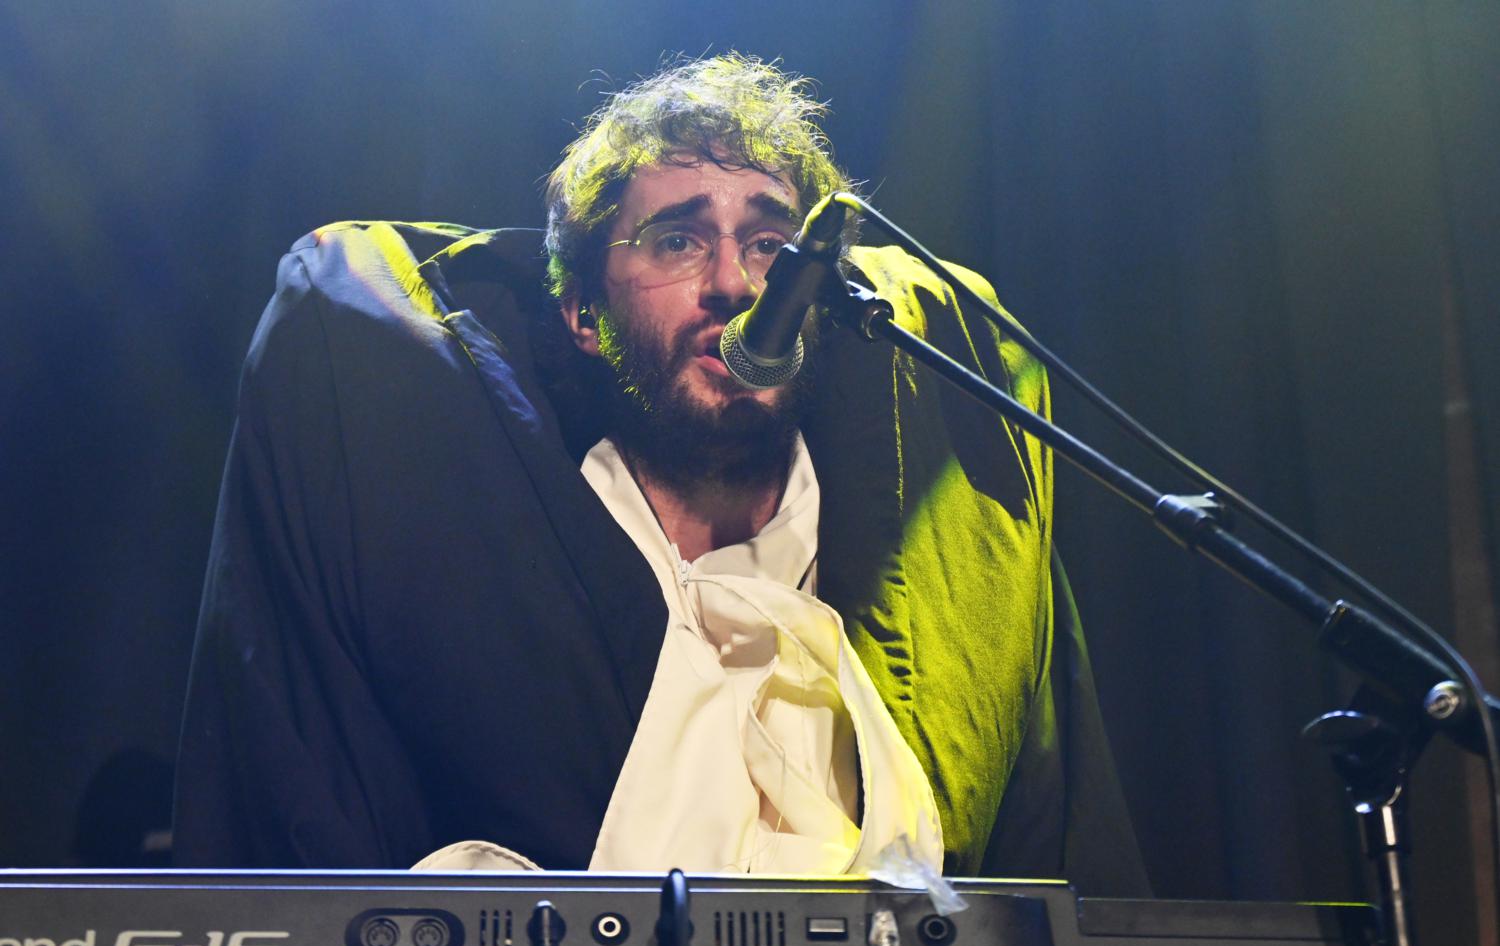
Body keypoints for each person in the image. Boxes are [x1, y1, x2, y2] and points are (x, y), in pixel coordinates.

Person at [173, 55, 1147, 894]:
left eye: (769, 244)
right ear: (582, 315)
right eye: (679, 239)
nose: (734, 283)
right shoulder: (523, 558)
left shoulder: (903, 559)